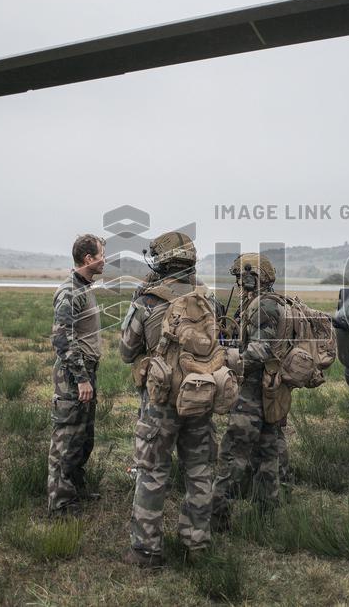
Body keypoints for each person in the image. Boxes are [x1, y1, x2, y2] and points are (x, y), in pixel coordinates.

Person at [119, 231, 220, 568]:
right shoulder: (209, 300)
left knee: (152, 472)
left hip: (159, 403)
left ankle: (146, 552)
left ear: (161, 261)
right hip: (200, 398)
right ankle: (198, 547)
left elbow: (126, 351)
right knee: (200, 471)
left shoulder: (148, 301)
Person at [212, 253, 286, 528]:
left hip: (253, 393)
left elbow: (260, 350)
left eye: (241, 279)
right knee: (267, 453)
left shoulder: (263, 306)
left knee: (232, 453)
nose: (239, 284)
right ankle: (266, 516)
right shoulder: (262, 303)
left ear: (252, 277)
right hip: (266, 391)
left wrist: (224, 355)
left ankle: (216, 518)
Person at [47, 234, 105, 517]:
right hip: (73, 376)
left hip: (85, 372)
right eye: (102, 254)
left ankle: (75, 490)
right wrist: (81, 378)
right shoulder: (69, 291)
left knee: (83, 438)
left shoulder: (85, 288)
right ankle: (60, 504)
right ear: (89, 259)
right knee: (66, 439)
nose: (105, 260)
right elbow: (62, 339)